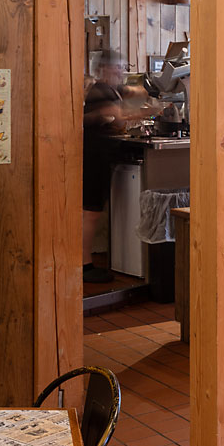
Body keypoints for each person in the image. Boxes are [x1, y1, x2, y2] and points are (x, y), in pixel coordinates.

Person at [82, 52, 126, 284]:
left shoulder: (103, 90)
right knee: (91, 212)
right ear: (104, 69)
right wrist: (149, 111)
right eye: (117, 67)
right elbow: (119, 120)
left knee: (90, 211)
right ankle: (84, 265)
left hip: (94, 155)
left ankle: (83, 261)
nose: (121, 71)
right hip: (94, 156)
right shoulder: (103, 91)